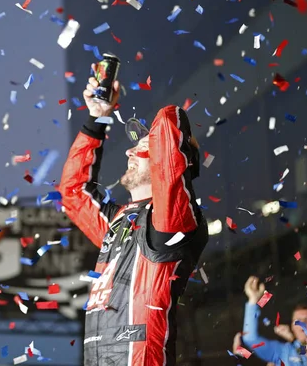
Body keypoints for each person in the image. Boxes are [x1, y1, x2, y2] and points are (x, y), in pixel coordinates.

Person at [58, 64, 208, 365]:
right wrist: (98, 115)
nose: (128, 152)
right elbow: (73, 192)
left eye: (142, 147)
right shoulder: (118, 220)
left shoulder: (171, 220)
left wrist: (166, 143)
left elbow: (168, 124)